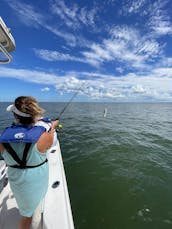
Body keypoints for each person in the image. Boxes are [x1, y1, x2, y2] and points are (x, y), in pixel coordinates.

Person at [0, 96, 59, 229]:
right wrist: (52, 128)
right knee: (27, 216)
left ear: (16, 116)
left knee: (26, 208)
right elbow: (52, 143)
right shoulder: (46, 136)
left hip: (17, 180)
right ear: (35, 115)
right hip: (38, 179)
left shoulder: (2, 139)